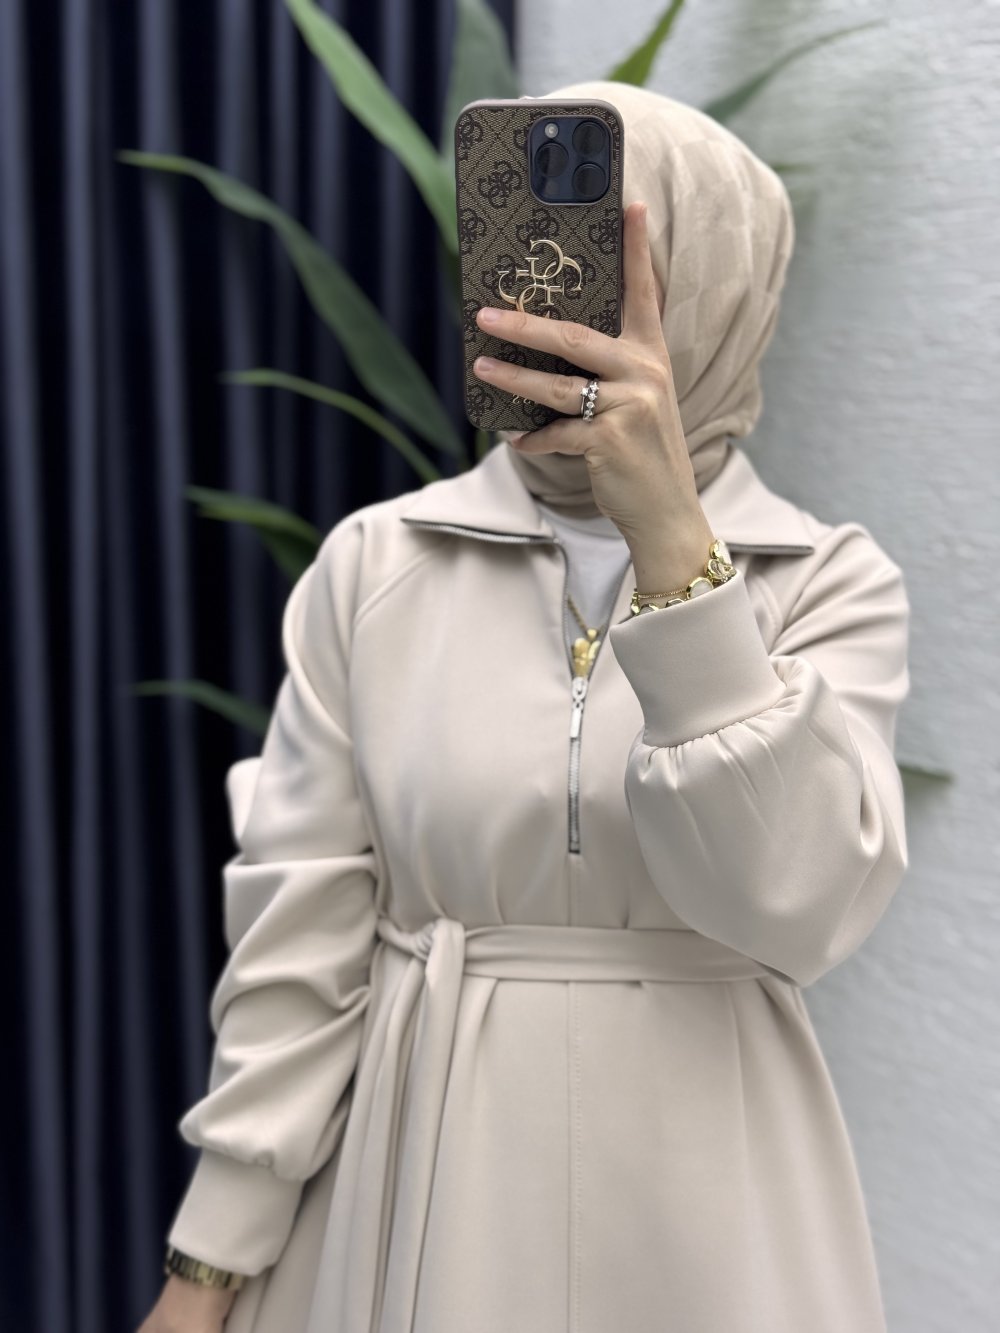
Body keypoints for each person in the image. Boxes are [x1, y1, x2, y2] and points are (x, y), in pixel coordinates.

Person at [138, 80, 910, 1333]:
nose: (552, 296)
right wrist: (207, 1268)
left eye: (616, 262)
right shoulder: (376, 565)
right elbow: (299, 939)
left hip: (709, 1208)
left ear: (712, 287)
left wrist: (674, 548)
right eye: (522, 251)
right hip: (420, 1175)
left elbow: (798, 903)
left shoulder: (826, 583)